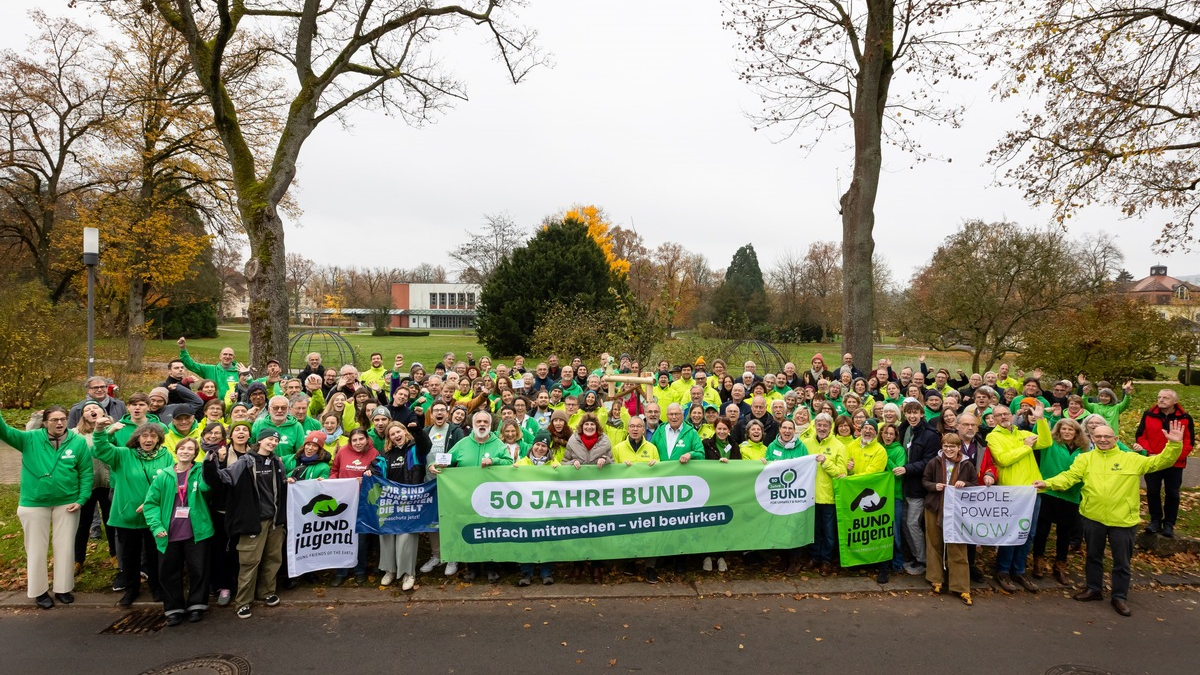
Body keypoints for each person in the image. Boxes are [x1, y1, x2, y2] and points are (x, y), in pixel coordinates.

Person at [1034, 421, 1187, 617]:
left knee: (1121, 561)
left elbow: (1159, 462)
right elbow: (1068, 477)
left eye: (1107, 436)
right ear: (1092, 439)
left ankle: (1119, 596)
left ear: (1115, 439)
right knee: (1093, 556)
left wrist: (1174, 445)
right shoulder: (1085, 459)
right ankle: (1093, 589)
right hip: (1093, 517)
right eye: (1098, 437)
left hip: (1123, 520)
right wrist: (1047, 483)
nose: (1103, 440)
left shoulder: (1131, 459)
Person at [1, 406, 92, 609]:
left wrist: (82, 498)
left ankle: (63, 588)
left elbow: (86, 472)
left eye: (62, 419)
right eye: (54, 420)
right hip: (34, 503)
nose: (59, 423)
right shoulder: (29, 438)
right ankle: (39, 591)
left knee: (65, 547)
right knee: (36, 549)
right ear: (44, 422)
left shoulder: (77, 442)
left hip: (67, 502)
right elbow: (4, 432)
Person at [203, 428, 288, 620]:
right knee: (249, 562)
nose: (272, 443)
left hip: (275, 520)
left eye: (275, 440)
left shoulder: (277, 462)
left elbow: (281, 486)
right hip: (253, 521)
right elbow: (223, 478)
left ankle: (267, 592)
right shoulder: (246, 461)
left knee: (273, 559)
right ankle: (243, 601)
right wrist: (210, 464)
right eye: (269, 439)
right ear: (259, 440)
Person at [93, 418, 176, 607]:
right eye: (144, 436)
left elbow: (170, 483)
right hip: (127, 516)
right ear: (137, 439)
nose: (148, 439)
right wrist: (101, 431)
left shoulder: (165, 456)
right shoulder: (123, 454)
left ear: (159, 439)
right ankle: (132, 589)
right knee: (129, 556)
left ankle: (157, 587)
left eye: (153, 436)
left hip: (154, 517)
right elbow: (100, 449)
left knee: (155, 554)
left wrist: (152, 503)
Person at [429, 411, 513, 582]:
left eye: (485, 422)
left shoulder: (498, 444)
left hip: (491, 498)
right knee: (469, 532)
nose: (482, 424)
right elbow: (446, 459)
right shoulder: (463, 443)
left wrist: (494, 461)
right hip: (466, 498)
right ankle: (472, 568)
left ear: (490, 425)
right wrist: (433, 464)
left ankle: (491, 568)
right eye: (479, 421)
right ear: (473, 424)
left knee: (489, 533)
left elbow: (510, 463)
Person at [142, 437, 212, 626]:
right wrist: (156, 526)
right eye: (182, 448)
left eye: (190, 449)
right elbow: (151, 504)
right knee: (169, 571)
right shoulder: (164, 476)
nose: (186, 451)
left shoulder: (198, 472)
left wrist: (210, 467)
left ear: (195, 454)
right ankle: (173, 608)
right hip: (169, 532)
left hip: (196, 531)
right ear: (176, 451)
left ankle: (197, 605)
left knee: (199, 570)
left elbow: (208, 487)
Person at [986, 403, 1051, 593]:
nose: (1003, 417)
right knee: (1012, 532)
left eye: (1006, 413)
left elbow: (1046, 443)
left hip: (1032, 491)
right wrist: (1025, 448)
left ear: (1012, 415)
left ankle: (1018, 570)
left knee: (1028, 533)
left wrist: (1040, 420)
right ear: (994, 419)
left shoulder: (1022, 433)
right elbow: (1003, 459)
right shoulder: (993, 436)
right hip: (1012, 492)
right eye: (999, 415)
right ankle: (1003, 570)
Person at [921, 432, 977, 606]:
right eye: (945, 446)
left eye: (952, 446)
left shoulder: (966, 464)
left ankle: (961, 586)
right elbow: (925, 480)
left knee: (957, 546)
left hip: (957, 511)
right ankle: (935, 578)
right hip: (934, 507)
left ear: (959, 447)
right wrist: (933, 486)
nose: (948, 449)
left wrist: (964, 485)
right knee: (934, 543)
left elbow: (975, 485)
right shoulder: (934, 462)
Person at [372, 422, 430, 591]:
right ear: (389, 438)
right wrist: (370, 471)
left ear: (405, 431)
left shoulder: (415, 449)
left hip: (410, 500)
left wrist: (417, 431)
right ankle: (390, 570)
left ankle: (408, 573)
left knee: (406, 538)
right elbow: (376, 467)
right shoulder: (386, 453)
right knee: (387, 536)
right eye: (392, 434)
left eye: (399, 431)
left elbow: (425, 444)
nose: (396, 435)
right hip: (389, 500)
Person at [1032, 419, 1088, 585]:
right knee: (1042, 530)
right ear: (1058, 430)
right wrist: (1040, 419)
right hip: (1048, 491)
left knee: (1064, 533)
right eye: (1064, 429)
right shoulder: (1050, 445)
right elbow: (1039, 434)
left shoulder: (1084, 451)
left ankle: (1060, 565)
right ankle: (1038, 561)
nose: (1067, 432)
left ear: (1077, 432)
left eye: (1071, 429)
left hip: (1070, 495)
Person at [1135, 389, 1194, 538]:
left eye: (1165, 398)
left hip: (1175, 464)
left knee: (1172, 493)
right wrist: (1149, 453)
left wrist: (1174, 457)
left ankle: (1169, 523)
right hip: (1153, 461)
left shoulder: (1185, 418)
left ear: (1175, 401)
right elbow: (1141, 436)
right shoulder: (1149, 414)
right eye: (1159, 397)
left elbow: (1189, 442)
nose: (1161, 400)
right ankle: (1155, 520)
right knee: (1153, 491)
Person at [895, 400, 940, 576]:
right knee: (906, 523)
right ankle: (915, 555)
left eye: (916, 412)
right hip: (904, 486)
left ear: (922, 414)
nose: (912, 416)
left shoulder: (930, 435)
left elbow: (929, 461)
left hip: (918, 487)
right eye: (909, 412)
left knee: (913, 523)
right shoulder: (903, 430)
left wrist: (907, 469)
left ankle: (923, 560)